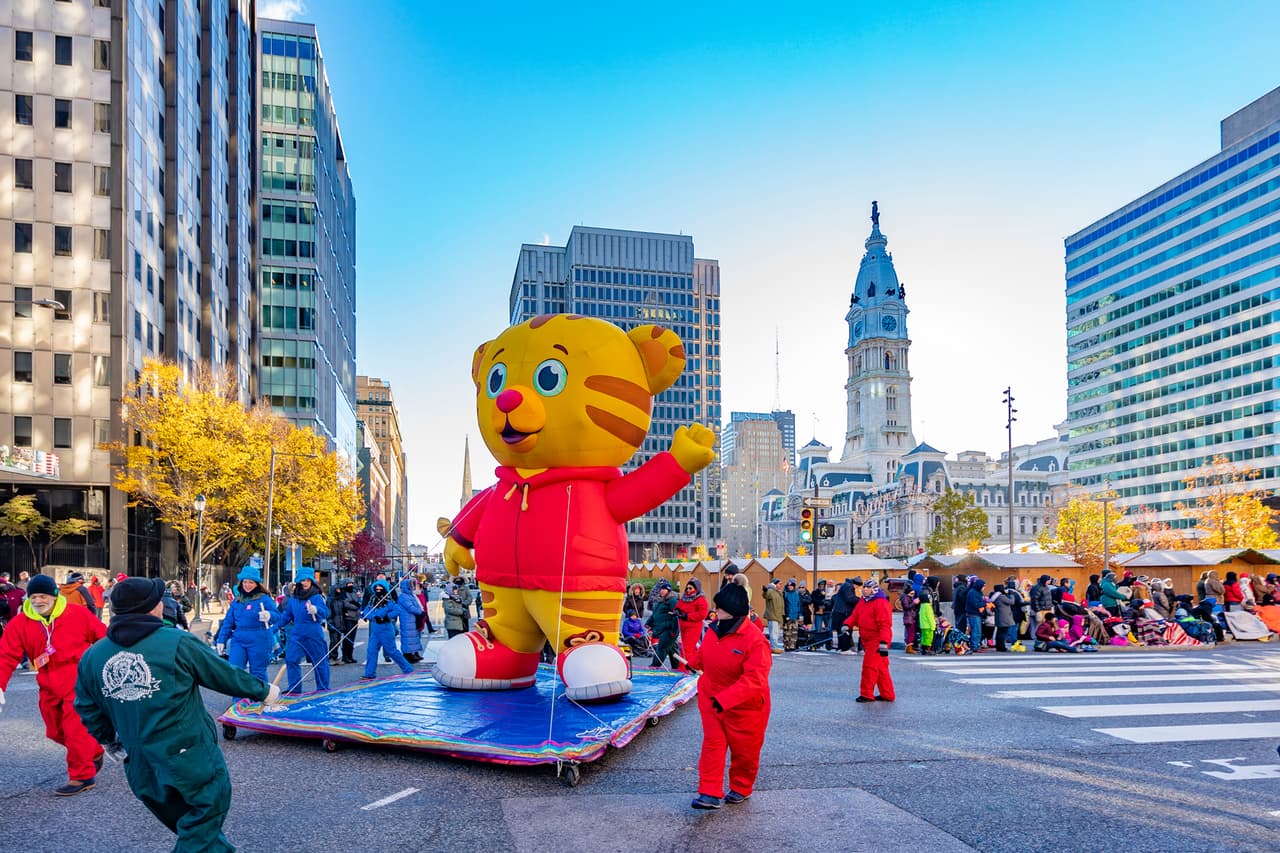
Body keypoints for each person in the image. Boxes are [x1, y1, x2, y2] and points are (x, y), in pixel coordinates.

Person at [75, 577, 279, 852]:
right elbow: (222, 674)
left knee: (192, 825)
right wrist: (264, 690)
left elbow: (86, 706)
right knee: (206, 814)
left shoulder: (93, 655)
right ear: (151, 608)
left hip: (139, 762)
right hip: (188, 755)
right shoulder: (175, 642)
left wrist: (108, 739)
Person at [0, 573, 106, 795]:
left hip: (79, 680)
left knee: (75, 729)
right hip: (47, 681)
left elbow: (104, 639)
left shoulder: (77, 614)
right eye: (34, 596)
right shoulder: (20, 623)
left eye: (43, 596)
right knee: (55, 731)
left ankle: (82, 777)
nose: (38, 601)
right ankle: (94, 750)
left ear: (55, 596)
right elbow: (6, 656)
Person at [686, 582, 771, 810]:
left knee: (745, 752)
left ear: (732, 610)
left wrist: (726, 700)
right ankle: (709, 793)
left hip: (746, 707)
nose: (715, 610)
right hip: (711, 699)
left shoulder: (755, 640)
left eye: (720, 607)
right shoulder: (714, 628)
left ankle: (741, 787)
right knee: (713, 745)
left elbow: (755, 680)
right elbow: (705, 654)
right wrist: (691, 663)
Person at [215, 564, 279, 683]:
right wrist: (221, 640)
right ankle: (239, 699)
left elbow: (277, 616)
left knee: (258, 672)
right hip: (239, 638)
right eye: (245, 582)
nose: (247, 585)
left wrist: (269, 615)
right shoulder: (237, 600)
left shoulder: (264, 599)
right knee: (235, 669)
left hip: (260, 638)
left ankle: (259, 698)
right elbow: (228, 622)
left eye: (251, 582)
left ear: (256, 584)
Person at [277, 567, 330, 694]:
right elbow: (286, 616)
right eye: (302, 580)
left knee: (319, 662)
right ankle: (294, 688)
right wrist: (274, 628)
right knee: (291, 659)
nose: (304, 583)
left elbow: (326, 613)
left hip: (313, 633)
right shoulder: (293, 599)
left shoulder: (316, 597)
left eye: (307, 580)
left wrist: (317, 610)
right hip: (297, 633)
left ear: (311, 581)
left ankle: (323, 688)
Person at [842, 579, 894, 702]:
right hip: (867, 639)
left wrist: (884, 643)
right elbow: (855, 615)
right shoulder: (863, 601)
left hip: (877, 640)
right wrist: (847, 624)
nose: (865, 589)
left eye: (868, 588)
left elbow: (885, 625)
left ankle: (866, 694)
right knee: (881, 668)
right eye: (864, 587)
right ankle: (888, 694)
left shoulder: (881, 603)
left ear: (874, 589)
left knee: (869, 666)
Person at [362, 580, 414, 679]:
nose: (378, 591)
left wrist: (386, 617)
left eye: (380, 589)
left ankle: (407, 669)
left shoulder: (389, 601)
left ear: (385, 589)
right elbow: (366, 611)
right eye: (376, 589)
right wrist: (372, 617)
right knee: (371, 651)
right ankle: (369, 673)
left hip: (386, 629)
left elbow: (398, 610)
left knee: (392, 651)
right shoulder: (372, 600)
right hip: (375, 630)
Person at [675, 579, 709, 665]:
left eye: (690, 588)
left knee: (686, 650)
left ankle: (683, 670)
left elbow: (702, 614)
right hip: (683, 626)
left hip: (693, 627)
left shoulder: (700, 599)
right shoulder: (684, 597)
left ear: (696, 589)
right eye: (687, 588)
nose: (688, 590)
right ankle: (696, 667)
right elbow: (678, 606)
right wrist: (676, 611)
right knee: (691, 649)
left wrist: (688, 616)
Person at [648, 583, 680, 669]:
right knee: (671, 649)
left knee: (661, 647)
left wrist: (674, 631)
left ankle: (655, 666)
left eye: (664, 589)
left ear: (668, 590)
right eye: (661, 589)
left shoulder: (673, 601)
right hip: (661, 629)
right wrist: (648, 624)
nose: (662, 591)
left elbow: (676, 617)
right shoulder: (660, 601)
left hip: (669, 630)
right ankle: (677, 667)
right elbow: (655, 614)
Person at [396, 577, 426, 663]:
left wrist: (420, 611)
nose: (413, 587)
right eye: (411, 585)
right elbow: (410, 607)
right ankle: (407, 654)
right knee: (407, 637)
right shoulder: (403, 596)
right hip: (406, 619)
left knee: (414, 636)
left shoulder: (410, 595)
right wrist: (420, 612)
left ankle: (414, 653)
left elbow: (417, 605)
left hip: (413, 619)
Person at [964, 577, 989, 654]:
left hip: (976, 614)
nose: (984, 588)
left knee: (977, 631)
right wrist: (985, 604)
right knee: (976, 631)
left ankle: (976, 645)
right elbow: (976, 603)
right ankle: (974, 646)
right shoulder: (973, 592)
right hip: (973, 613)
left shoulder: (978, 592)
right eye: (983, 586)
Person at [918, 576, 940, 654]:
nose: (938, 584)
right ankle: (928, 649)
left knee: (926, 636)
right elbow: (931, 606)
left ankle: (927, 648)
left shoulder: (933, 590)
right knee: (929, 636)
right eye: (937, 582)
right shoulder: (926, 591)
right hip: (929, 619)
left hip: (928, 618)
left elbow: (936, 603)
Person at [991, 584, 1016, 652]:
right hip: (1004, 616)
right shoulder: (1001, 596)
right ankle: (1002, 647)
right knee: (1003, 632)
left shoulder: (995, 596)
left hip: (1000, 616)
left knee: (999, 632)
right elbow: (1011, 602)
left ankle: (998, 646)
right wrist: (1012, 595)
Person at [900, 582, 920, 654]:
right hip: (909, 618)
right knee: (910, 633)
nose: (912, 595)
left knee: (911, 633)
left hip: (910, 617)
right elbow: (906, 607)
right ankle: (909, 648)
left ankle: (910, 647)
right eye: (911, 594)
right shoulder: (905, 598)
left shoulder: (907, 597)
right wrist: (914, 603)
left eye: (913, 594)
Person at [781, 579, 801, 651]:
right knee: (787, 631)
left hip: (795, 615)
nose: (790, 587)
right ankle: (787, 646)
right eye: (789, 586)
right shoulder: (785, 593)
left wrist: (799, 614)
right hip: (788, 615)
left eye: (791, 586)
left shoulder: (797, 593)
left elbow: (799, 604)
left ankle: (792, 645)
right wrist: (785, 614)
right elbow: (783, 605)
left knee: (794, 632)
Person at [811, 579, 831, 648]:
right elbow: (813, 600)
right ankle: (818, 643)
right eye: (821, 585)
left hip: (827, 612)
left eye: (823, 585)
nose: (822, 586)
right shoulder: (815, 592)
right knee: (818, 628)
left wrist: (826, 602)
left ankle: (829, 642)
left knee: (828, 628)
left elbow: (830, 601)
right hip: (818, 612)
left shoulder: (828, 592)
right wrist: (821, 600)